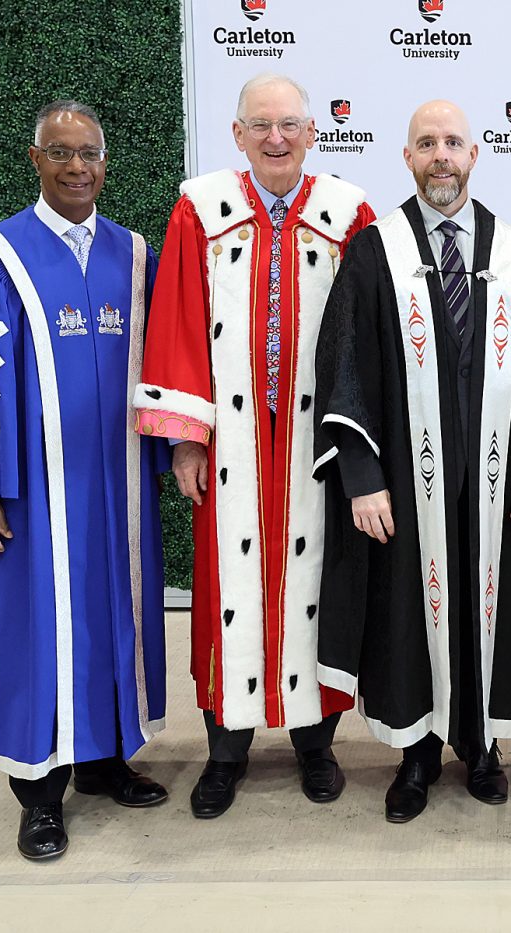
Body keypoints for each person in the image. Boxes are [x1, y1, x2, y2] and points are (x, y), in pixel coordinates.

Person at [0, 101, 168, 859]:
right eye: (61, 152)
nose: (77, 165)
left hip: (115, 485)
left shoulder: (132, 254)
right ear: (36, 159)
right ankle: (38, 793)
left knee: (115, 610)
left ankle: (105, 759)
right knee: (38, 627)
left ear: (106, 163)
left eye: (89, 152)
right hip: (33, 489)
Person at [134, 73, 376, 818]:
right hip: (233, 442)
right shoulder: (200, 210)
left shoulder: (347, 214)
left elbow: (366, 341)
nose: (277, 138)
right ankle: (225, 752)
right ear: (238, 135)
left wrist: (358, 448)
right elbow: (174, 321)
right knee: (225, 589)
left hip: (315, 442)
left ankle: (315, 742)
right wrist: (188, 439)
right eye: (261, 125)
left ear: (313, 134)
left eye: (290, 125)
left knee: (316, 588)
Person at [314, 100, 511, 823]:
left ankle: (481, 746)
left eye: (453, 142)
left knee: (490, 611)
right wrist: (361, 476)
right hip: (407, 482)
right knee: (407, 618)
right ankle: (417, 754)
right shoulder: (374, 250)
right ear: (407, 157)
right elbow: (345, 364)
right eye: (427, 143)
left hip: (492, 485)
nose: (441, 156)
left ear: (475, 154)